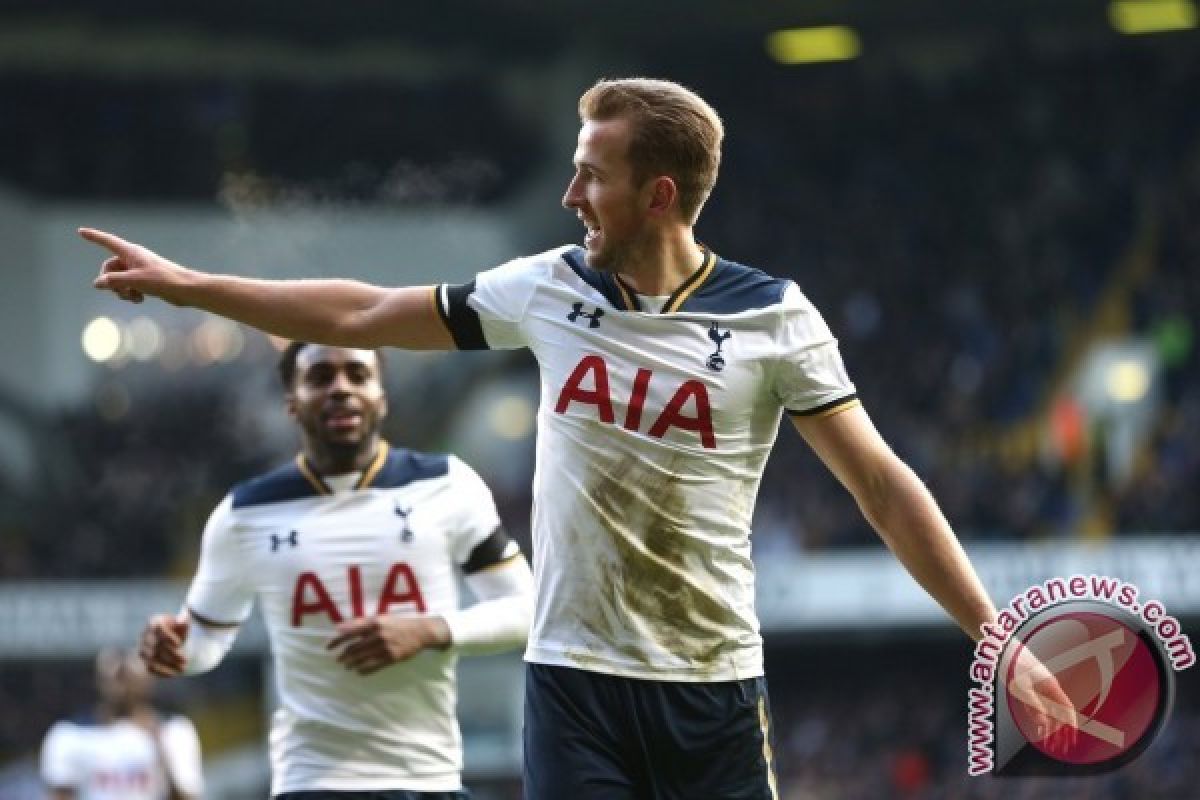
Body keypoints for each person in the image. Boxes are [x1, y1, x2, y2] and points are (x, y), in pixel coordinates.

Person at [82, 78, 1073, 798]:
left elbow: (882, 485)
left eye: (590, 176)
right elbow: (363, 311)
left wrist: (993, 632)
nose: (568, 196)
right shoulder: (550, 287)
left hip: (713, 685)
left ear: (659, 194)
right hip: (573, 686)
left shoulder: (775, 317)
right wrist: (188, 283)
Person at [136, 342, 534, 798]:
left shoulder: (446, 484)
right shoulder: (244, 512)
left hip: (427, 780)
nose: (340, 388)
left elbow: (525, 612)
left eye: (357, 375)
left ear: (381, 396)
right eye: (321, 377)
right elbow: (205, 639)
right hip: (311, 783)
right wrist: (176, 650)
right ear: (292, 402)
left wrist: (429, 630)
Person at [40, 648, 203, 800]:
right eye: (116, 674)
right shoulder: (69, 735)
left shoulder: (174, 731)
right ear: (97, 679)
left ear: (149, 679)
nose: (122, 682)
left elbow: (188, 795)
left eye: (127, 674)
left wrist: (160, 749)